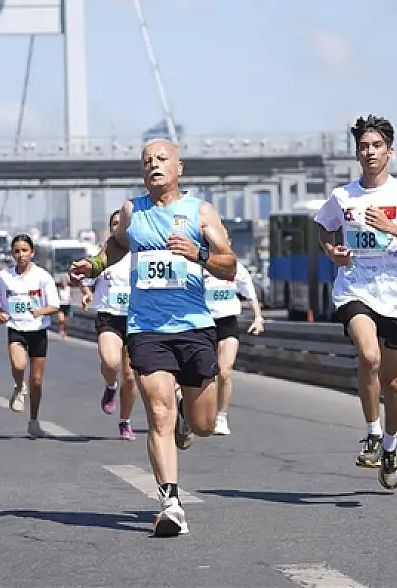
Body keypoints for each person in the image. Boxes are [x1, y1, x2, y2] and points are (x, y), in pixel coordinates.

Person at [70, 139, 238, 537]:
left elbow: (229, 266)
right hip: (146, 328)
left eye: (162, 159)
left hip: (194, 326)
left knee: (203, 423)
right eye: (147, 161)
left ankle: (187, 416)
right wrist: (94, 265)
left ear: (179, 168)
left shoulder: (200, 212)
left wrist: (198, 255)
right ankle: (170, 503)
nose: (154, 165)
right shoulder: (133, 211)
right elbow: (116, 246)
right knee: (158, 415)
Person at [312, 115, 397, 492]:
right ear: (357, 153)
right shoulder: (343, 197)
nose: (370, 152)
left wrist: (391, 228)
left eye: (377, 146)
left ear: (389, 152)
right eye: (364, 146)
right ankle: (372, 433)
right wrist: (331, 251)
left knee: (392, 382)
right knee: (369, 356)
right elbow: (323, 227)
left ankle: (390, 448)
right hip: (355, 289)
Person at [0, 235, 60, 438]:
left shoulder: (42, 276)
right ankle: (19, 386)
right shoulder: (4, 276)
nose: (21, 255)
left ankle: (34, 420)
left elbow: (55, 305)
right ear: (12, 254)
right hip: (16, 328)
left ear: (32, 252)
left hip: (38, 330)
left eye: (25, 250)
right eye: (17, 251)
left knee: (36, 380)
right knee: (18, 365)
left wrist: (40, 311)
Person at [84, 209, 139, 440]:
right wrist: (86, 292)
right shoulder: (104, 254)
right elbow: (86, 278)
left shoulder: (140, 253)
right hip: (109, 316)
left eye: (123, 223)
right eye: (115, 223)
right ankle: (110, 386)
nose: (119, 227)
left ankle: (125, 421)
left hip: (136, 318)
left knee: (130, 376)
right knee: (110, 361)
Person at [204, 261, 265, 436]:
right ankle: (193, 413)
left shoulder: (235, 266)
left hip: (227, 322)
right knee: (203, 373)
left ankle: (221, 417)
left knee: (224, 371)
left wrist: (258, 318)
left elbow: (250, 293)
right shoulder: (199, 262)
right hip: (203, 322)